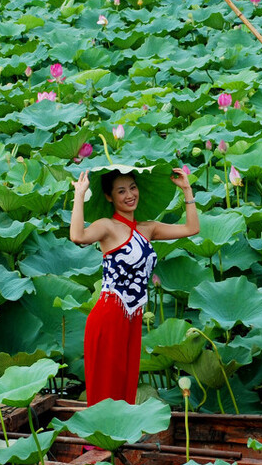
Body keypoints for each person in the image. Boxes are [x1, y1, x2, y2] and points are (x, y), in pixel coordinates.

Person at [70, 166, 199, 404]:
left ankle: (119, 428)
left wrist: (187, 190)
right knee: (107, 388)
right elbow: (78, 236)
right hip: (110, 314)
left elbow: (192, 229)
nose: (130, 195)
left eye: (132, 188)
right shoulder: (107, 226)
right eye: (121, 191)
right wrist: (79, 194)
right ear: (109, 197)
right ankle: (98, 429)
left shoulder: (148, 228)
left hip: (133, 316)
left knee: (126, 387)